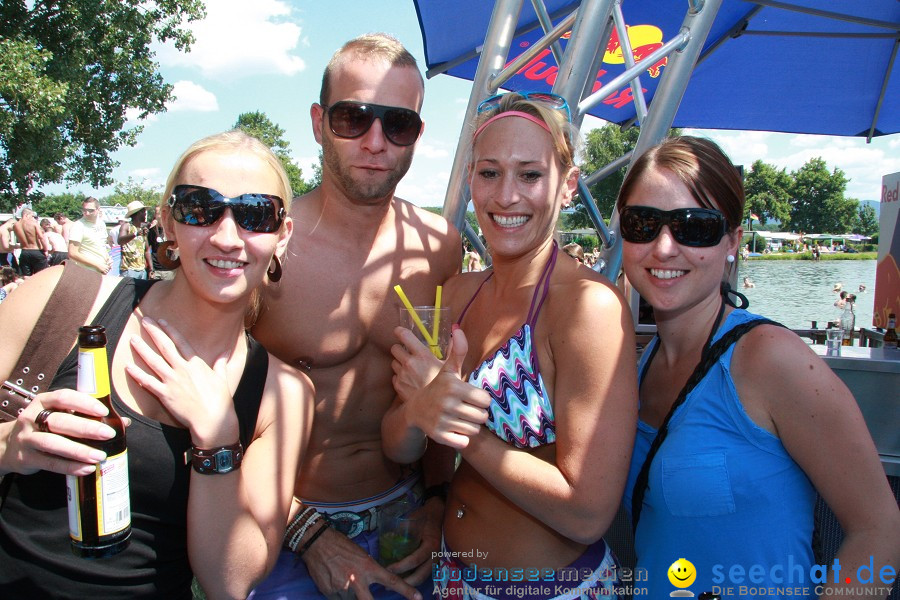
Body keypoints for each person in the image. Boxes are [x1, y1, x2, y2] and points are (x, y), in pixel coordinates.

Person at [0, 130, 314, 599]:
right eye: (200, 208)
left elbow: (229, 582)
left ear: (282, 235)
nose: (227, 237)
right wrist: (11, 445)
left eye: (255, 215)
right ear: (168, 222)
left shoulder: (282, 394)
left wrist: (219, 440)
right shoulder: (61, 300)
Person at [616, 136, 900, 597]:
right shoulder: (643, 364)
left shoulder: (769, 359)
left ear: (732, 242)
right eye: (643, 222)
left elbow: (880, 530)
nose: (664, 248)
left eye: (696, 227)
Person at [383, 91, 638, 599]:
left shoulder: (588, 307)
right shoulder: (456, 295)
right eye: (489, 173)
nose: (505, 196)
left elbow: (586, 512)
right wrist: (417, 414)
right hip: (452, 580)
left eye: (530, 175)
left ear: (567, 186)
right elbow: (398, 443)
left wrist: (458, 427)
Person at [249, 34, 460, 600]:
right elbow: (217, 414)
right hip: (289, 525)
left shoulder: (441, 246)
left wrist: (438, 499)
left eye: (398, 124)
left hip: (407, 517)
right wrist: (308, 534)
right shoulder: (265, 247)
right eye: (352, 117)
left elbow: (436, 388)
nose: (375, 141)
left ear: (417, 134)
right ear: (319, 122)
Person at [68, 196, 113, 274]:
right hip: (86, 273)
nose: (87, 213)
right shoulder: (78, 226)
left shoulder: (101, 223)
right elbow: (72, 253)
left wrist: (108, 258)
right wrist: (98, 265)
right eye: (84, 210)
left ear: (98, 209)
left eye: (91, 210)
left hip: (102, 271)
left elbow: (102, 245)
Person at [12, 207, 50, 276]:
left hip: (24, 252)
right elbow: (41, 237)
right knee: (41, 275)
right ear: (26, 215)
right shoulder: (33, 224)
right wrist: (46, 250)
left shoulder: (15, 225)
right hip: (36, 251)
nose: (33, 218)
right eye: (32, 216)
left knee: (26, 277)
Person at [118, 201, 151, 279]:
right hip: (128, 270)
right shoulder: (126, 226)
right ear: (139, 213)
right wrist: (136, 234)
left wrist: (151, 268)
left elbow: (146, 250)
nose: (145, 214)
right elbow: (120, 241)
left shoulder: (143, 229)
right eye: (144, 212)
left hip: (142, 271)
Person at [146, 205, 176, 280]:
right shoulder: (151, 231)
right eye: (157, 212)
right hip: (156, 270)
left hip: (170, 270)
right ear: (155, 215)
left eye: (161, 212)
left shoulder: (172, 231)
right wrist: (151, 269)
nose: (159, 215)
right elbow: (147, 250)